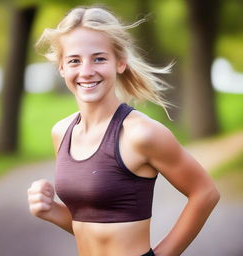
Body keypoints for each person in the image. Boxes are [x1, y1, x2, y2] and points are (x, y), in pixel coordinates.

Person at [27, 6, 220, 256]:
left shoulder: (141, 134)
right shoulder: (61, 132)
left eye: (99, 58)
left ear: (120, 62)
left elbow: (205, 193)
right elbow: (93, 226)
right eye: (74, 60)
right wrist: (50, 210)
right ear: (62, 68)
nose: (86, 71)